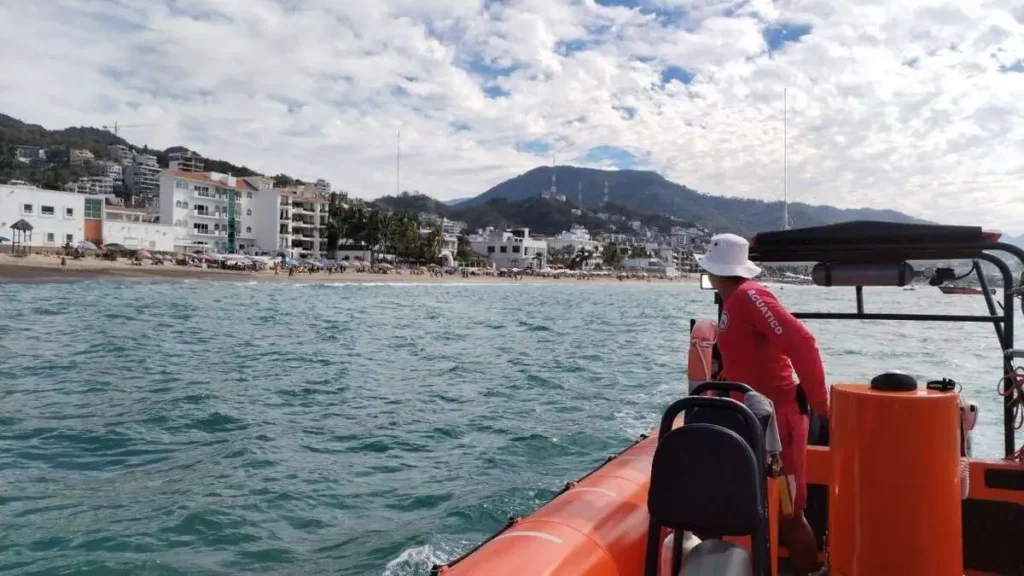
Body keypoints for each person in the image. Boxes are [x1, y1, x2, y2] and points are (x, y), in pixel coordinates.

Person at [697, 233, 829, 576]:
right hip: (749, 419)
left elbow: (802, 341)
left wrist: (821, 405)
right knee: (756, 504)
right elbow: (747, 352)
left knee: (789, 513)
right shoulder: (733, 301)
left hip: (777, 422)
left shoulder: (751, 296)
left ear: (715, 272)